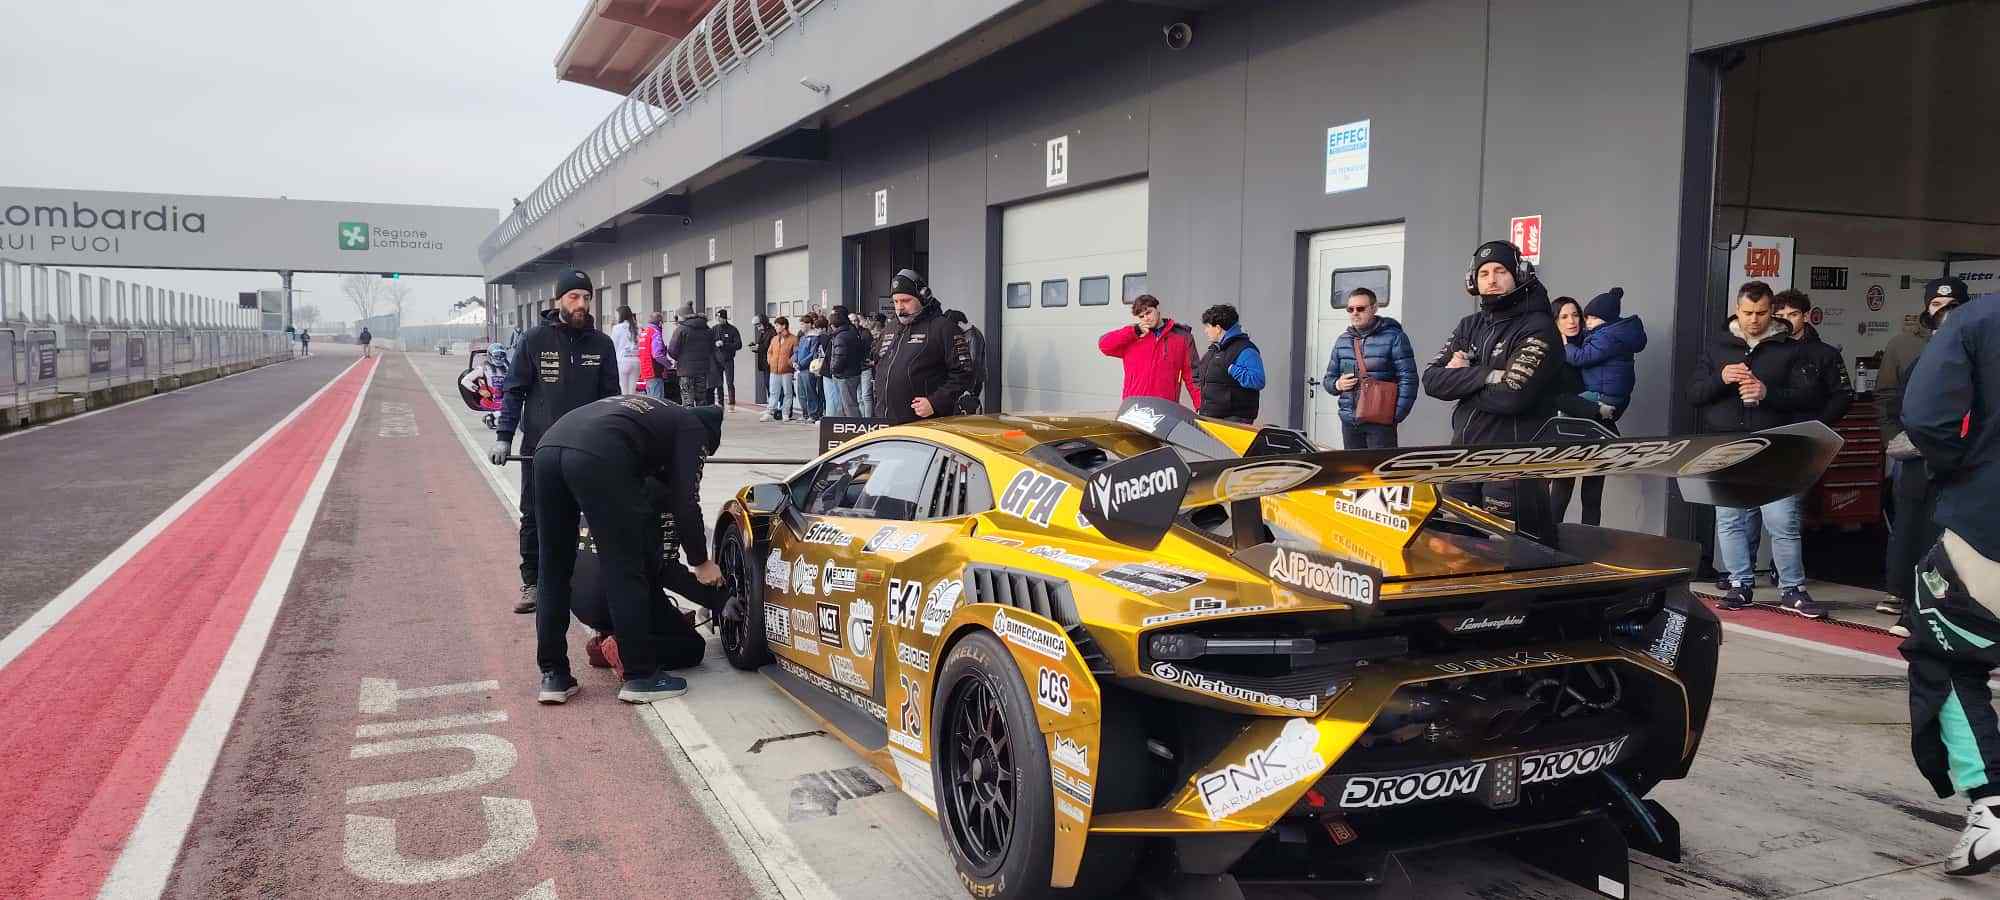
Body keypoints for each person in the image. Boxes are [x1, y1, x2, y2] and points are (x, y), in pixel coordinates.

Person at [1897, 285, 2000, 877]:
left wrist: (1963, 470)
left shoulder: (1978, 318)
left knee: (1947, 659)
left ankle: (1991, 802)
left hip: (1988, 520)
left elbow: (1927, 417)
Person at [529, 395, 725, 705]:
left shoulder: (650, 413)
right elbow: (685, 500)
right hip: (600, 454)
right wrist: (701, 562)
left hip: (548, 448)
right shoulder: (694, 428)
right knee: (624, 569)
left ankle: (554, 676)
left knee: (552, 568)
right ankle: (641, 676)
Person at [1688, 281, 1827, 617]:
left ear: (1772, 311)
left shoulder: (1790, 347)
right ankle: (1739, 584)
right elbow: (1694, 394)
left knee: (1781, 520)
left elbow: (1811, 398)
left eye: (1761, 313)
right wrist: (1721, 378)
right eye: (1747, 312)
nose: (1753, 319)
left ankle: (1792, 588)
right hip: (1727, 444)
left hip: (1776, 445)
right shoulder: (1717, 345)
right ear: (1737, 310)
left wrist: (1767, 393)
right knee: (1729, 519)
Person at [489, 270, 619, 615]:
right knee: (534, 516)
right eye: (574, 297)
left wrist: (616, 446)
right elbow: (514, 392)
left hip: (587, 451)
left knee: (591, 516)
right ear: (558, 300)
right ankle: (533, 582)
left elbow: (611, 400)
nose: (581, 304)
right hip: (540, 450)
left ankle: (584, 582)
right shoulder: (533, 340)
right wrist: (503, 437)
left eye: (586, 298)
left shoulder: (602, 344)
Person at [1420, 240, 1563, 534]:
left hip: (1512, 465)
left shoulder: (1539, 326)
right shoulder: (1469, 325)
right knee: (1455, 547)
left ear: (1519, 275)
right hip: (1462, 460)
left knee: (1512, 553)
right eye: (1484, 273)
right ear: (1473, 281)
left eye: (1500, 271)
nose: (1492, 280)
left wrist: (1462, 380)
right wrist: (1487, 376)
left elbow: (1513, 396)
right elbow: (1431, 381)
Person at [1877, 278, 1969, 628]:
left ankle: (1943, 607)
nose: (1946, 315)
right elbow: (1894, 401)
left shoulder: (1981, 355)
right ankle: (1908, 601)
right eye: (1938, 307)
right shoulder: (1912, 352)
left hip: (1962, 461)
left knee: (1952, 536)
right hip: (1919, 458)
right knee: (1913, 530)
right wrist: (1898, 440)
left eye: (1954, 308)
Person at [1551, 288, 1650, 525]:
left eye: (1576, 315)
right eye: (1564, 316)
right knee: (1561, 492)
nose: (1572, 321)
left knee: (1592, 496)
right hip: (1568, 430)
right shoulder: (1552, 351)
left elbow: (1613, 394)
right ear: (1554, 321)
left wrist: (1605, 411)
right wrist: (1595, 410)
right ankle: (1549, 541)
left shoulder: (1593, 341)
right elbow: (1553, 396)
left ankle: (1590, 542)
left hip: (1597, 429)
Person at [871, 269, 975, 426]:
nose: (900, 307)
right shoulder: (890, 328)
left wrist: (935, 402)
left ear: (923, 297)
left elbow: (964, 373)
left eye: (906, 301)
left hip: (924, 425)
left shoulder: (943, 328)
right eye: (896, 302)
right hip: (885, 422)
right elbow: (879, 362)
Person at [1324, 287, 1416, 448]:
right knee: (1353, 465)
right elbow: (1328, 379)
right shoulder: (1343, 341)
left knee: (1380, 465)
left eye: (1360, 308)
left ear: (1374, 308)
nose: (1355, 313)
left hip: (1380, 423)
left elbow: (1409, 379)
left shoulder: (1395, 337)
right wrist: (1337, 384)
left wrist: (1394, 416)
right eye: (1350, 309)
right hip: (1350, 422)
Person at [1098, 294, 1200, 407]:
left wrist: (1201, 407)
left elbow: (1193, 377)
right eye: (1141, 316)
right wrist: (1133, 332)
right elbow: (1104, 345)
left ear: (1157, 309)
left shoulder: (1182, 337)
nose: (1146, 318)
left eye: (1148, 312)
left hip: (1165, 407)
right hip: (1134, 407)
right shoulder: (1132, 337)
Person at [1772, 290, 1852, 426]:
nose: (1786, 320)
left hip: (1812, 432)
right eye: (1779, 316)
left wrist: (1817, 425)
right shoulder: (1762, 351)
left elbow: (1842, 396)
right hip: (1769, 431)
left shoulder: (1827, 354)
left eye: (1793, 314)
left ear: (1805, 316)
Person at [1194, 304, 1265, 424]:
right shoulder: (1214, 349)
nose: (1205, 331)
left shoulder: (1245, 349)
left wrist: (1233, 369)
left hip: (1233, 421)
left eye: (1208, 326)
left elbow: (1258, 380)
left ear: (1218, 328)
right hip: (1211, 417)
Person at [666, 303, 715, 407]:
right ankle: (701, 416)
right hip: (703, 370)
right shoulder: (706, 328)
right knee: (701, 399)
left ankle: (689, 417)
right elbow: (712, 348)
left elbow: (672, 350)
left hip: (686, 370)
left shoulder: (681, 329)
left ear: (683, 315)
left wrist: (679, 358)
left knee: (687, 400)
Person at [822, 305, 869, 416]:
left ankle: (854, 425)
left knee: (849, 406)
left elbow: (840, 356)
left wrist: (833, 369)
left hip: (845, 375)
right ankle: (848, 424)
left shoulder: (840, 336)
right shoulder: (851, 331)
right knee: (847, 405)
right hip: (852, 372)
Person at [945, 309, 988, 414]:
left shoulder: (973, 336)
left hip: (972, 382)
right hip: (967, 380)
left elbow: (974, 363)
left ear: (959, 323)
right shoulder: (966, 334)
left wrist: (969, 388)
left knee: (968, 410)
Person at [762, 316, 798, 421]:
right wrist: (770, 361)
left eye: (777, 325)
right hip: (774, 370)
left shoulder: (793, 339)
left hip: (787, 371)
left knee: (788, 393)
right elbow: (769, 352)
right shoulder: (774, 339)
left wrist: (789, 363)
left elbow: (796, 353)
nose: (775, 327)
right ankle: (770, 412)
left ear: (784, 326)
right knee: (773, 392)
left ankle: (785, 413)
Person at [793, 312, 826, 422]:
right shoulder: (802, 337)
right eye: (801, 324)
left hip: (808, 369)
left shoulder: (815, 337)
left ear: (809, 324)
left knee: (810, 392)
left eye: (803, 324)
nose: (801, 326)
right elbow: (797, 351)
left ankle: (813, 414)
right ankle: (805, 414)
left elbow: (812, 354)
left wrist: (801, 363)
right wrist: (795, 361)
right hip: (800, 369)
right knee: (801, 393)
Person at [711, 309, 743, 407]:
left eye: (720, 318)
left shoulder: (732, 329)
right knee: (719, 383)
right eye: (717, 317)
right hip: (717, 360)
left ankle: (731, 401)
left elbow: (738, 344)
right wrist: (714, 344)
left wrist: (724, 344)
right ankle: (720, 402)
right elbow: (709, 342)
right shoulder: (714, 329)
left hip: (728, 360)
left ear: (724, 318)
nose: (718, 319)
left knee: (729, 381)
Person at [612, 305, 641, 394]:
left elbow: (613, 346)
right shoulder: (637, 327)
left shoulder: (617, 328)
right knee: (632, 391)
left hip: (622, 360)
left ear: (621, 315)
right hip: (636, 361)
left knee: (623, 390)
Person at [639, 311, 664, 399]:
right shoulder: (655, 333)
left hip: (645, 370)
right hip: (654, 370)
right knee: (658, 400)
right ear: (660, 323)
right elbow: (657, 354)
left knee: (650, 399)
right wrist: (668, 364)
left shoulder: (644, 333)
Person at [751, 314, 772, 404]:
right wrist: (755, 347)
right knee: (767, 385)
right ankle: (771, 405)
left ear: (764, 323)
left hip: (770, 364)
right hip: (764, 364)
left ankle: (773, 406)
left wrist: (759, 347)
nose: (758, 328)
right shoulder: (763, 333)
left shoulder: (771, 332)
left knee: (770, 385)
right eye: (756, 326)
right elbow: (762, 345)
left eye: (759, 326)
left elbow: (770, 347)